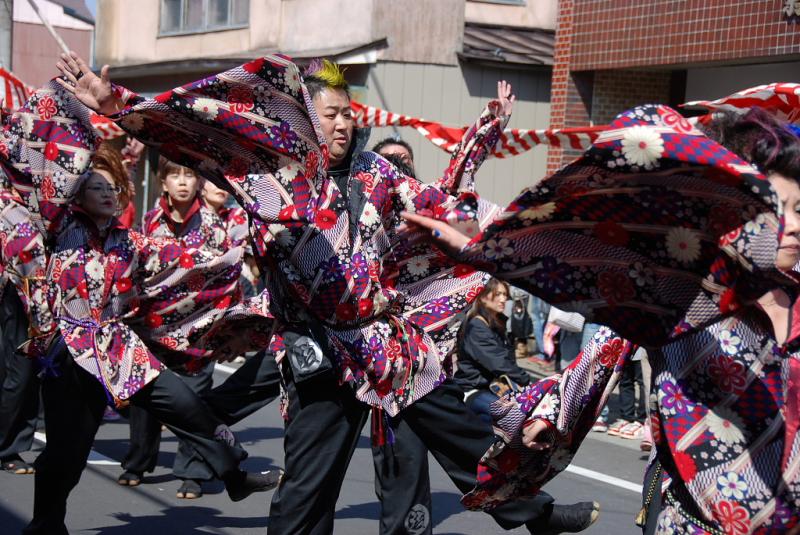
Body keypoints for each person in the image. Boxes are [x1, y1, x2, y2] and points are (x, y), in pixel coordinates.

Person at [58, 52, 600, 534]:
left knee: (458, 430)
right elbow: (195, 136)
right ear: (305, 118)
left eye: (348, 113)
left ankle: (536, 513)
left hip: (382, 341)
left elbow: (444, 205)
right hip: (315, 347)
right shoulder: (267, 171)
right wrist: (115, 103)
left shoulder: (375, 172)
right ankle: (217, 452)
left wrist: (536, 217)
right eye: (331, 114)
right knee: (307, 488)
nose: (343, 124)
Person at [401, 103, 800, 533]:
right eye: (777, 210)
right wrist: (549, 415)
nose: (793, 225)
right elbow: (592, 329)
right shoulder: (677, 297)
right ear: (726, 214)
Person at [0, 91, 280, 534]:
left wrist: (248, 258)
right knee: (68, 452)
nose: (107, 193)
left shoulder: (130, 242)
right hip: (68, 353)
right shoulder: (58, 228)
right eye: (96, 187)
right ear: (76, 195)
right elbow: (35, 170)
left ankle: (234, 475)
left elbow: (192, 264)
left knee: (187, 406)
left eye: (112, 188)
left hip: (119, 347)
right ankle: (45, 523)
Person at [118, 158, 231, 498]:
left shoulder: (213, 225)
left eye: (189, 174)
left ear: (199, 182)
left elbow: (225, 276)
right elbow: (137, 270)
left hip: (199, 328)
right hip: (151, 326)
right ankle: (138, 461)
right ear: (163, 182)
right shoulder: (150, 221)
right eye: (175, 175)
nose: (182, 182)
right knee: (146, 395)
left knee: (194, 400)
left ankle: (192, 470)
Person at [455, 279, 531, 424]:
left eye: (505, 294)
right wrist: (526, 381)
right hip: (473, 388)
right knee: (513, 416)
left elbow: (508, 359)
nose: (503, 299)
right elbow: (498, 362)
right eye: (497, 294)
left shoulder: (496, 323)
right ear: (483, 296)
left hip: (494, 388)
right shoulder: (477, 326)